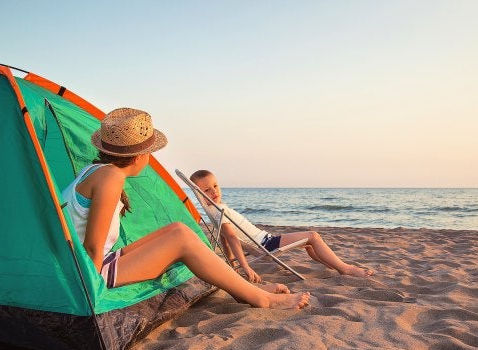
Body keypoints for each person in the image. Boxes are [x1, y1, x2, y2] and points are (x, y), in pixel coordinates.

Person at [61, 108, 309, 309]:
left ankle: (244, 288)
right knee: (182, 240)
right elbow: (92, 247)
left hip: (90, 261)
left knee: (178, 229)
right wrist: (91, 293)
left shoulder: (94, 171)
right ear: (139, 156)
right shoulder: (111, 177)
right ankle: (260, 298)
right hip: (88, 271)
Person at [190, 170, 375, 283]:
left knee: (309, 244)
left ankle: (336, 267)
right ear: (198, 194)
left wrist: (232, 265)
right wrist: (245, 267)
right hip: (266, 244)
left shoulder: (215, 210)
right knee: (313, 236)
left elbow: (224, 238)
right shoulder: (219, 211)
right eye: (207, 190)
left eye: (215, 186)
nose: (213, 191)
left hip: (265, 240)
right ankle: (344, 268)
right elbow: (230, 238)